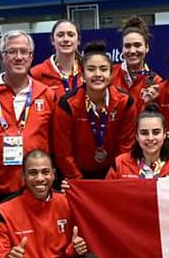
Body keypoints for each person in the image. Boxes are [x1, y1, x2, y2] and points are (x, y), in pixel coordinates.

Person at [0, 30, 55, 209]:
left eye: (24, 52)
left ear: (31, 56)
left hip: (36, 187)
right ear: (3, 56)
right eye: (12, 51)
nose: (19, 57)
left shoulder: (47, 94)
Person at [53, 42, 138, 180]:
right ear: (82, 75)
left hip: (114, 173)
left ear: (111, 75)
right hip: (78, 174)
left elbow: (126, 147)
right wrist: (79, 182)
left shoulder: (125, 102)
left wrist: (113, 178)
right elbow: (63, 152)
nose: (98, 74)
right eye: (91, 69)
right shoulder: (67, 105)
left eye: (103, 69)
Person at [106, 107, 169, 179]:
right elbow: (106, 194)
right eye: (144, 133)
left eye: (156, 132)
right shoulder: (120, 164)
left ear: (164, 134)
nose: (150, 138)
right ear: (136, 136)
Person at [111, 16, 161, 106]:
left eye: (137, 45)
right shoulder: (110, 75)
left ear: (147, 47)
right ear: (122, 49)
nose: (132, 51)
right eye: (127, 46)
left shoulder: (156, 82)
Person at [30, 20, 83, 101]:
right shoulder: (36, 74)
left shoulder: (88, 71)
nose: (66, 39)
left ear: (78, 40)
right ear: (52, 40)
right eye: (60, 35)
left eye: (71, 35)